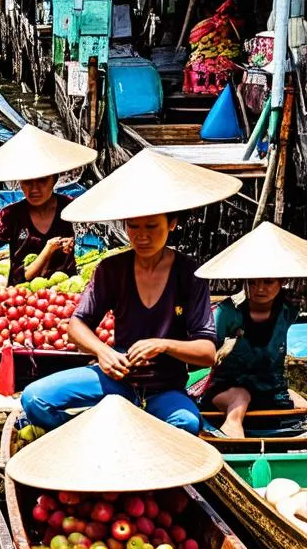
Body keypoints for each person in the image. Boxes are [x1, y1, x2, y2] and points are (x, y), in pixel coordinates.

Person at [19, 149, 242, 433]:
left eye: (152, 226)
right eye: (134, 226)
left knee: (186, 423)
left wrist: (163, 345)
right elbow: (76, 326)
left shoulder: (189, 274)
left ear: (172, 224)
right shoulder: (111, 269)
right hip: (116, 378)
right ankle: (87, 436)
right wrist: (102, 352)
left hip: (164, 388)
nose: (142, 235)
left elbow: (207, 352)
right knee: (35, 399)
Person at [0, 124, 97, 284]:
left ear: (54, 180)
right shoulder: (11, 215)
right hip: (19, 297)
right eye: (28, 182)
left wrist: (71, 242)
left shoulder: (69, 208)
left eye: (42, 180)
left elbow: (97, 222)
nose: (35, 189)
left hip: (62, 294)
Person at [206, 280, 306, 437]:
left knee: (302, 407)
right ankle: (235, 448)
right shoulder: (227, 312)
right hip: (228, 389)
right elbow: (207, 353)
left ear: (282, 281)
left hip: (271, 390)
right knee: (240, 400)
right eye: (252, 282)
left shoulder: (288, 310)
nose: (260, 288)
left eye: (268, 282)